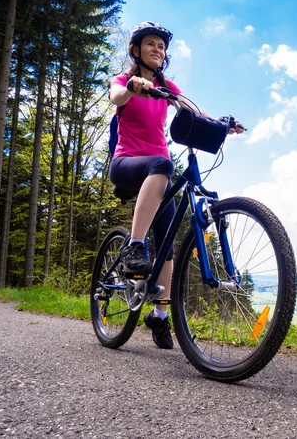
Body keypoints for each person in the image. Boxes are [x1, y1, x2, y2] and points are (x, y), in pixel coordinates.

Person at [108, 21, 244, 350]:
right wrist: (132, 88)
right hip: (126, 164)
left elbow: (192, 108)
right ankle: (133, 248)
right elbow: (115, 96)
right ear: (136, 50)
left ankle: (159, 314)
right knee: (164, 163)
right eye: (151, 44)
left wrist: (222, 124)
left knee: (167, 241)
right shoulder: (126, 80)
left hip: (158, 173)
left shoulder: (167, 86)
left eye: (162, 46)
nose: (158, 49)